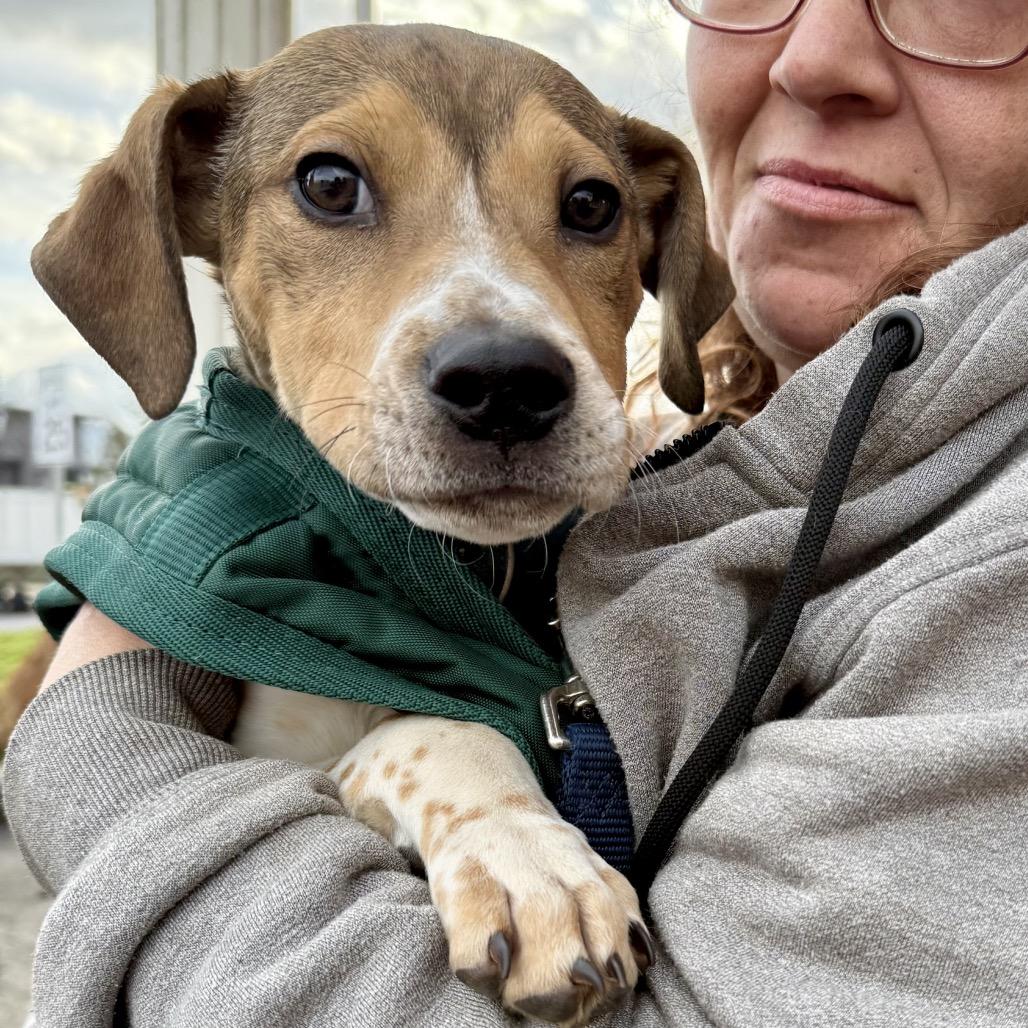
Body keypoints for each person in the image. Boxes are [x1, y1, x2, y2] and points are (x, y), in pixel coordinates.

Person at [6, 1, 1028, 1024]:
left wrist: (105, 741)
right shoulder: (660, 500)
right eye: (333, 187)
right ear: (188, 213)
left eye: (584, 210)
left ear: (653, 259)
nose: (496, 333)